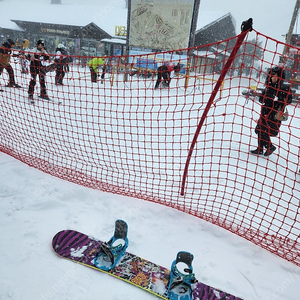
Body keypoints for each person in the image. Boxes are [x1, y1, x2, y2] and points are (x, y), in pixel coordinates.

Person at [251, 66, 292, 156]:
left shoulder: (284, 88)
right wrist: (264, 98)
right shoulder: (268, 86)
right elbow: (261, 99)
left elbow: (288, 100)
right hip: (265, 112)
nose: (273, 77)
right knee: (259, 130)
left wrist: (278, 100)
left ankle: (269, 147)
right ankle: (260, 149)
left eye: (276, 75)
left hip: (274, 115)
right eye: (272, 75)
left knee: (264, 130)